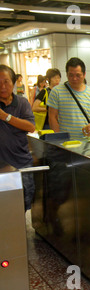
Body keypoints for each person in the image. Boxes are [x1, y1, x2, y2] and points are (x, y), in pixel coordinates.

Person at [0, 65, 36, 211]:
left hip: (22, 163)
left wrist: (5, 116)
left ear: (14, 83)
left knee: (25, 201)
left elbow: (30, 127)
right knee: (5, 206)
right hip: (1, 164)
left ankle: (22, 233)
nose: (2, 86)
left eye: (6, 82)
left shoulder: (22, 103)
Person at [47, 57, 90, 142]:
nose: (74, 78)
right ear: (66, 74)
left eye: (78, 75)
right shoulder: (57, 91)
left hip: (88, 141)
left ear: (84, 74)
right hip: (65, 142)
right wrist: (59, 138)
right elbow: (52, 117)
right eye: (71, 75)